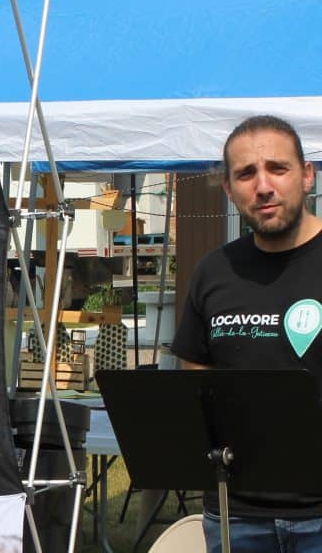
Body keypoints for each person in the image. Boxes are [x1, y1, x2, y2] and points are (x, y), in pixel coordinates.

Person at [173, 115, 322, 552]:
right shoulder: (214, 272)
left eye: (278, 168)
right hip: (235, 516)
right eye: (246, 173)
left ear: (307, 175)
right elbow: (196, 385)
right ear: (229, 189)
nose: (263, 186)